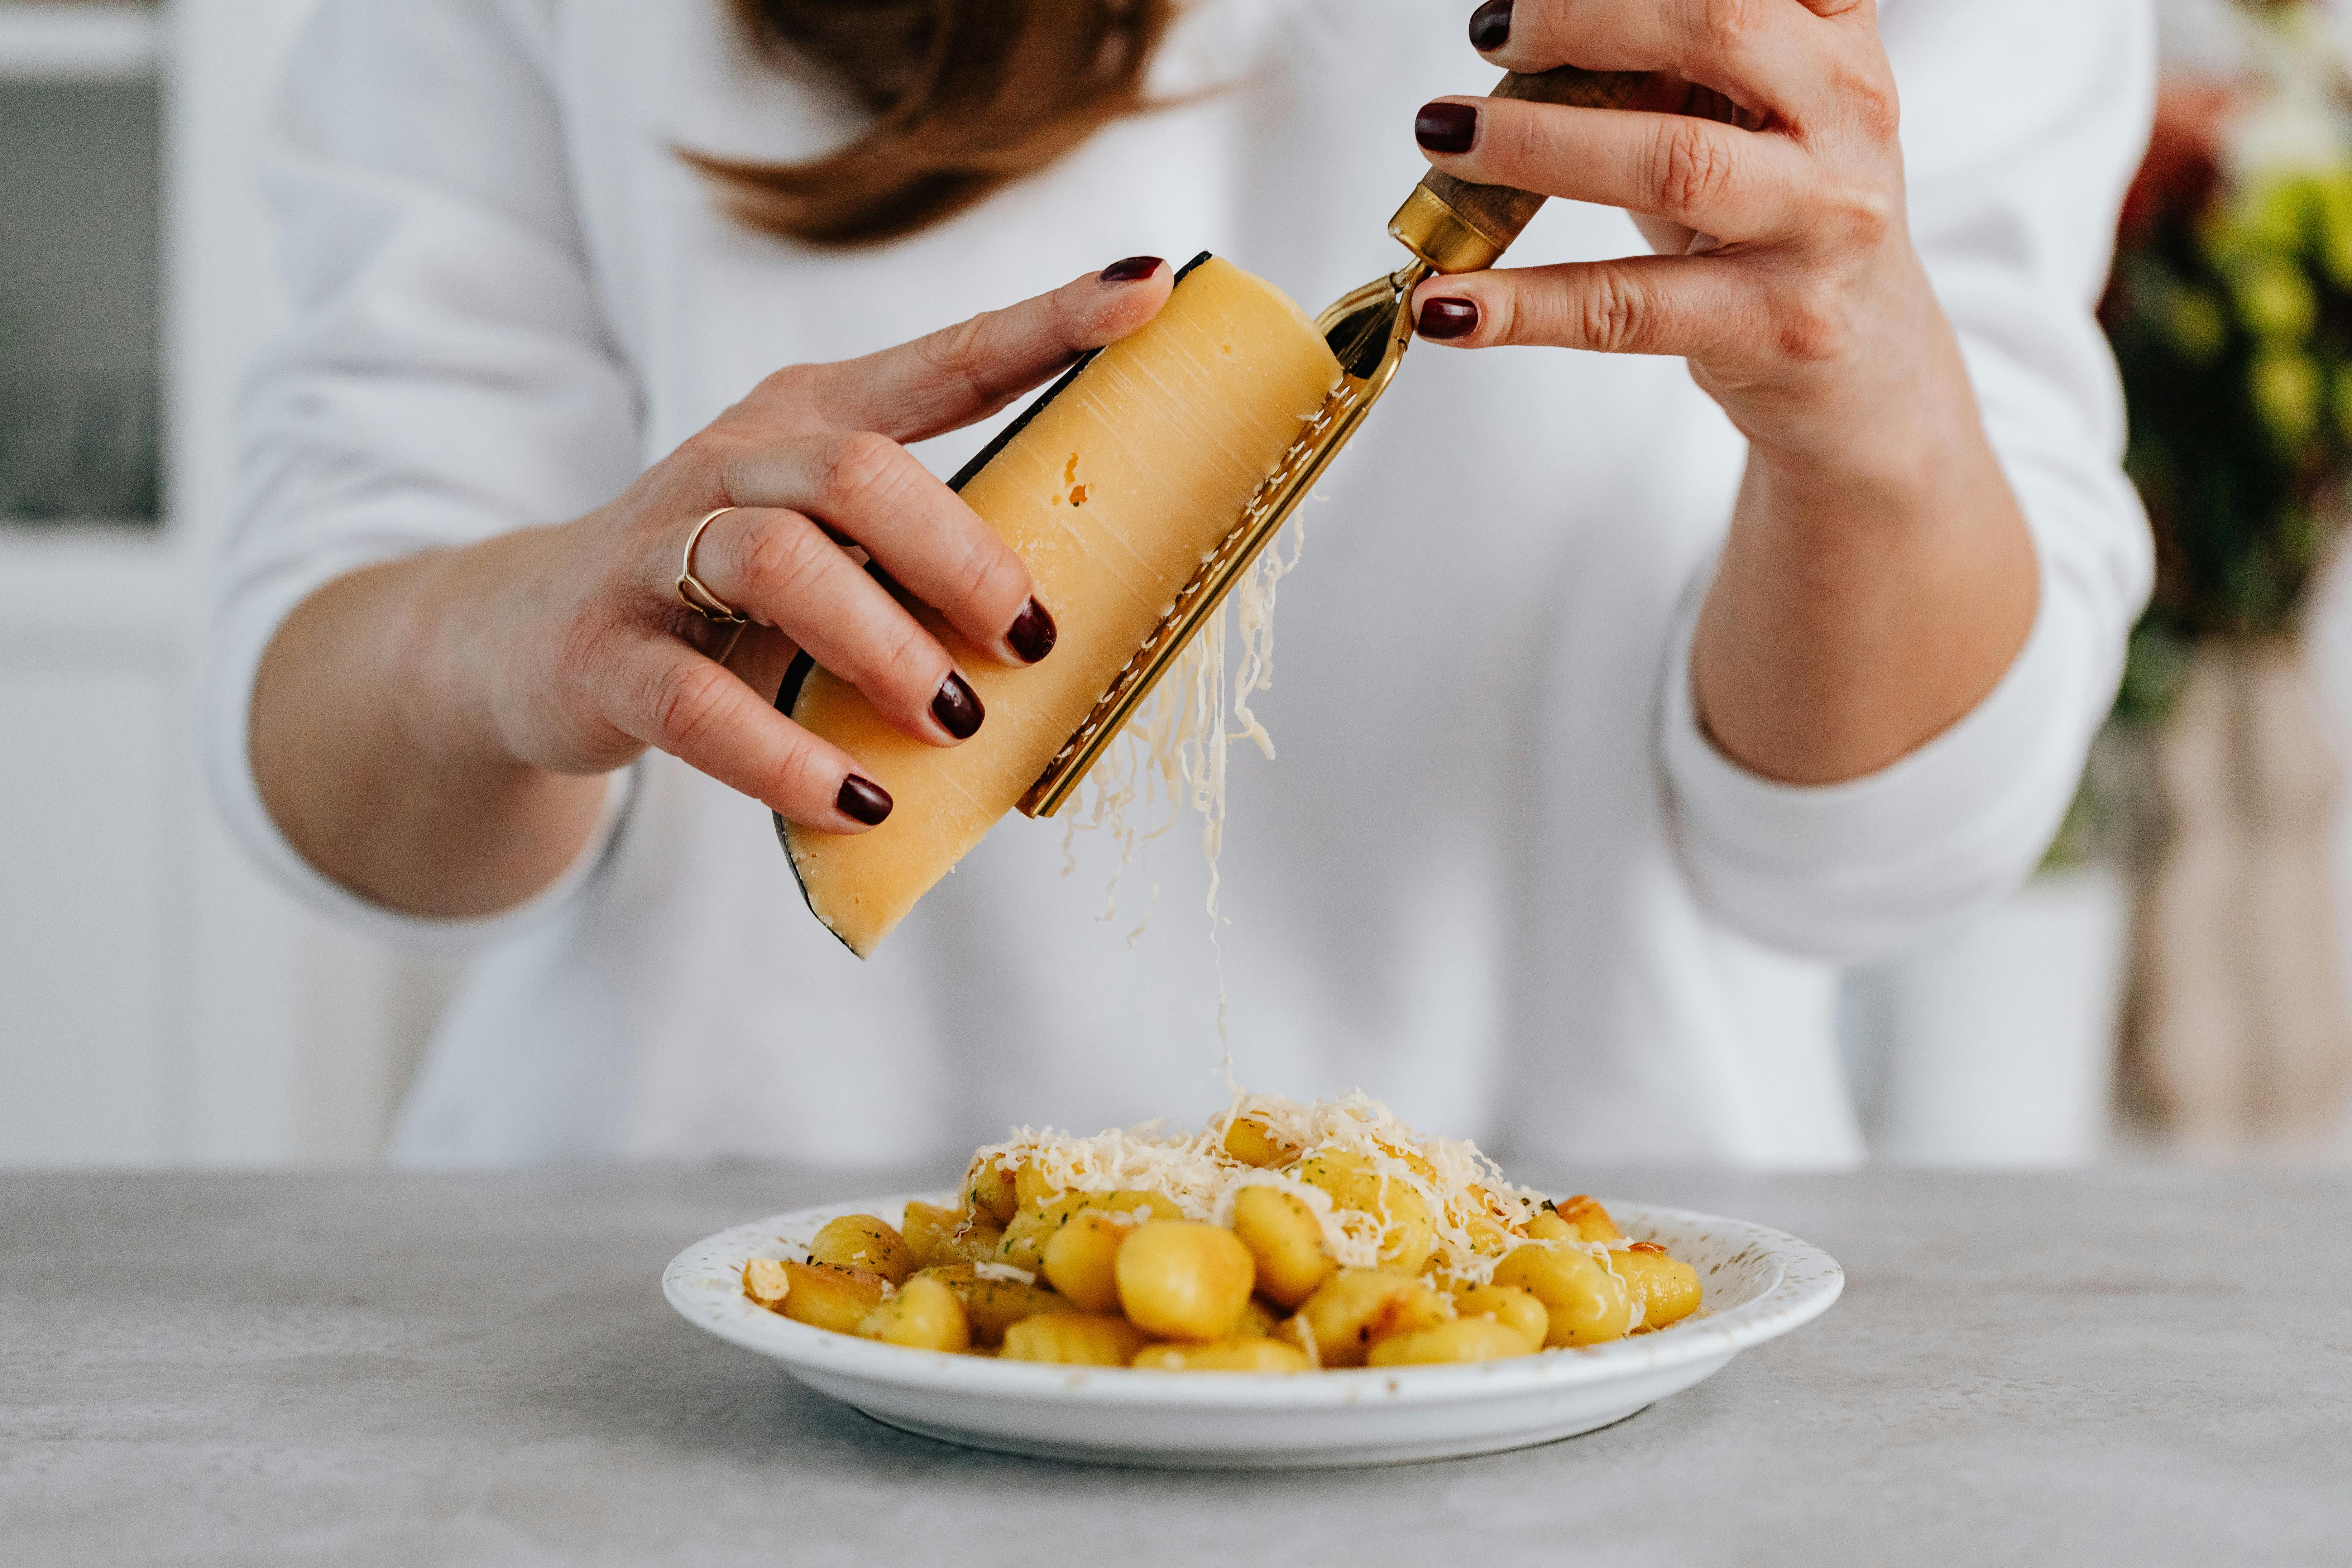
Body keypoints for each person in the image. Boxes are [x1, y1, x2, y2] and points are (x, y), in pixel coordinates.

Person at [204, 0, 2156, 1169]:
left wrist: (1870, 426)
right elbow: (335, 777)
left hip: (1559, 1361)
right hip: (684, 1327)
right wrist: (510, 643)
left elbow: (1871, 857)